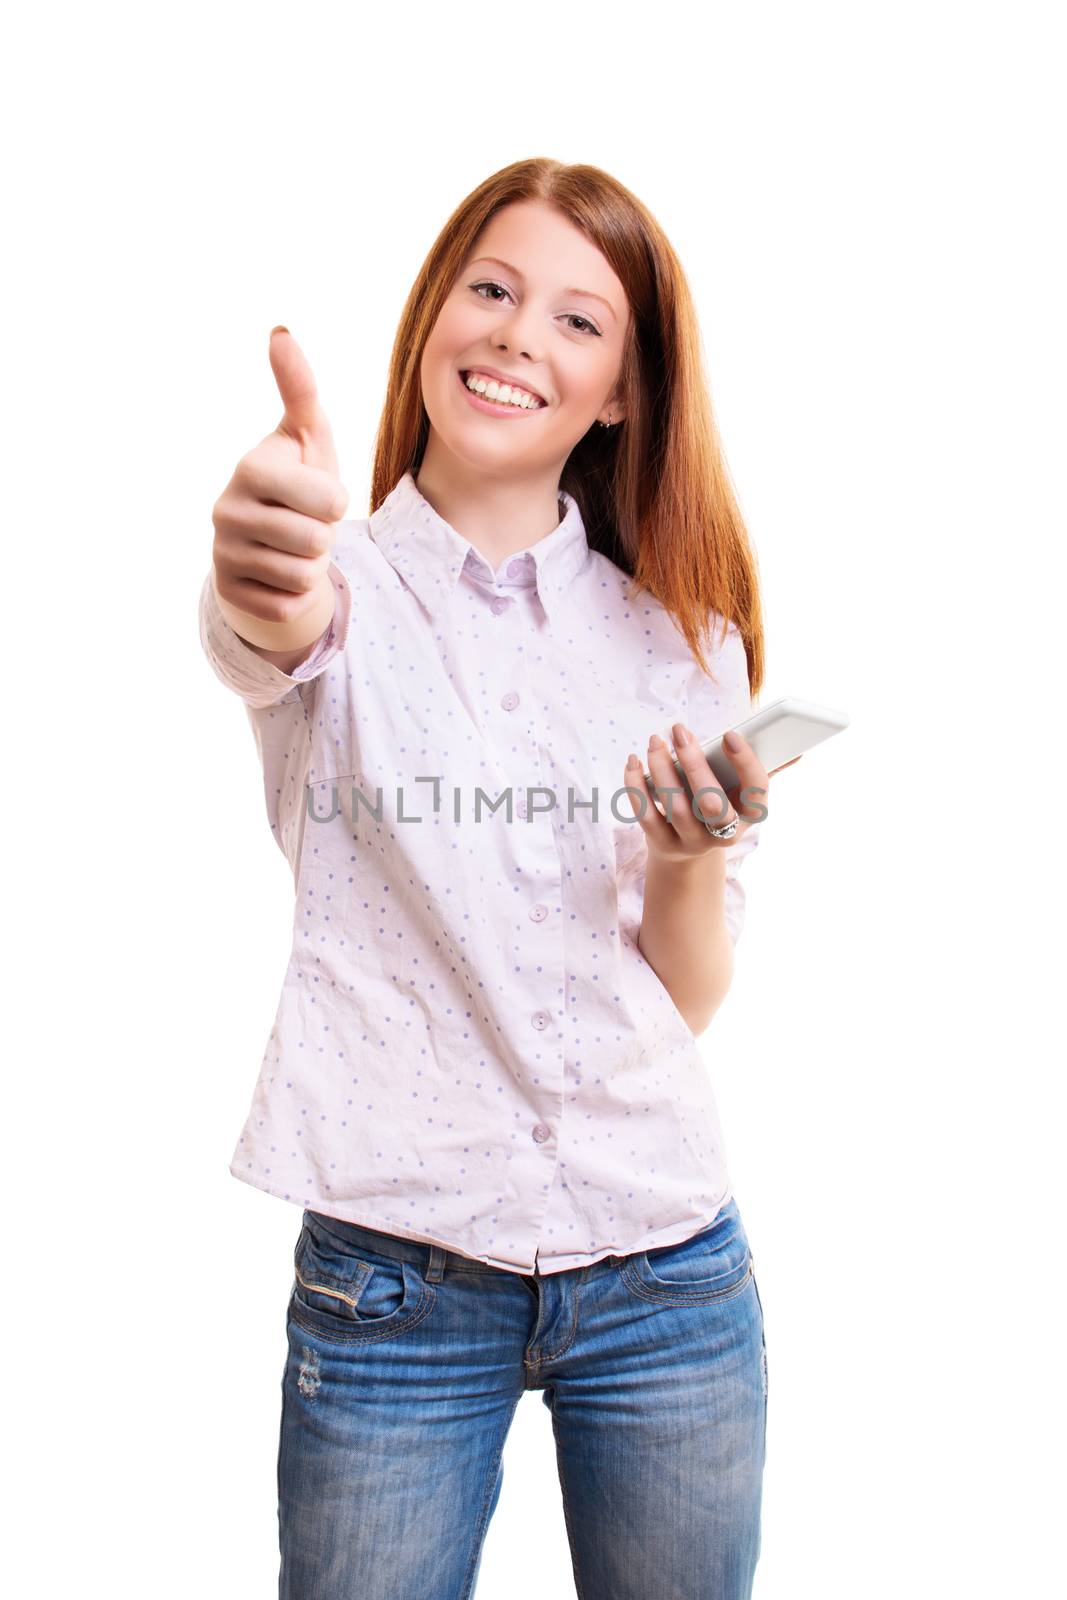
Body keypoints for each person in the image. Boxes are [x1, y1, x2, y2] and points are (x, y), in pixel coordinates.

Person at [200, 157, 797, 1600]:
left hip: (669, 1274)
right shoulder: (339, 588)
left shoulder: (681, 635)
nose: (522, 334)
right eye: (492, 288)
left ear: (622, 397)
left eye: (580, 323)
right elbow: (265, 621)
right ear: (432, 323)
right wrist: (257, 555)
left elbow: (686, 997)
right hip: (395, 1289)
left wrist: (685, 861)